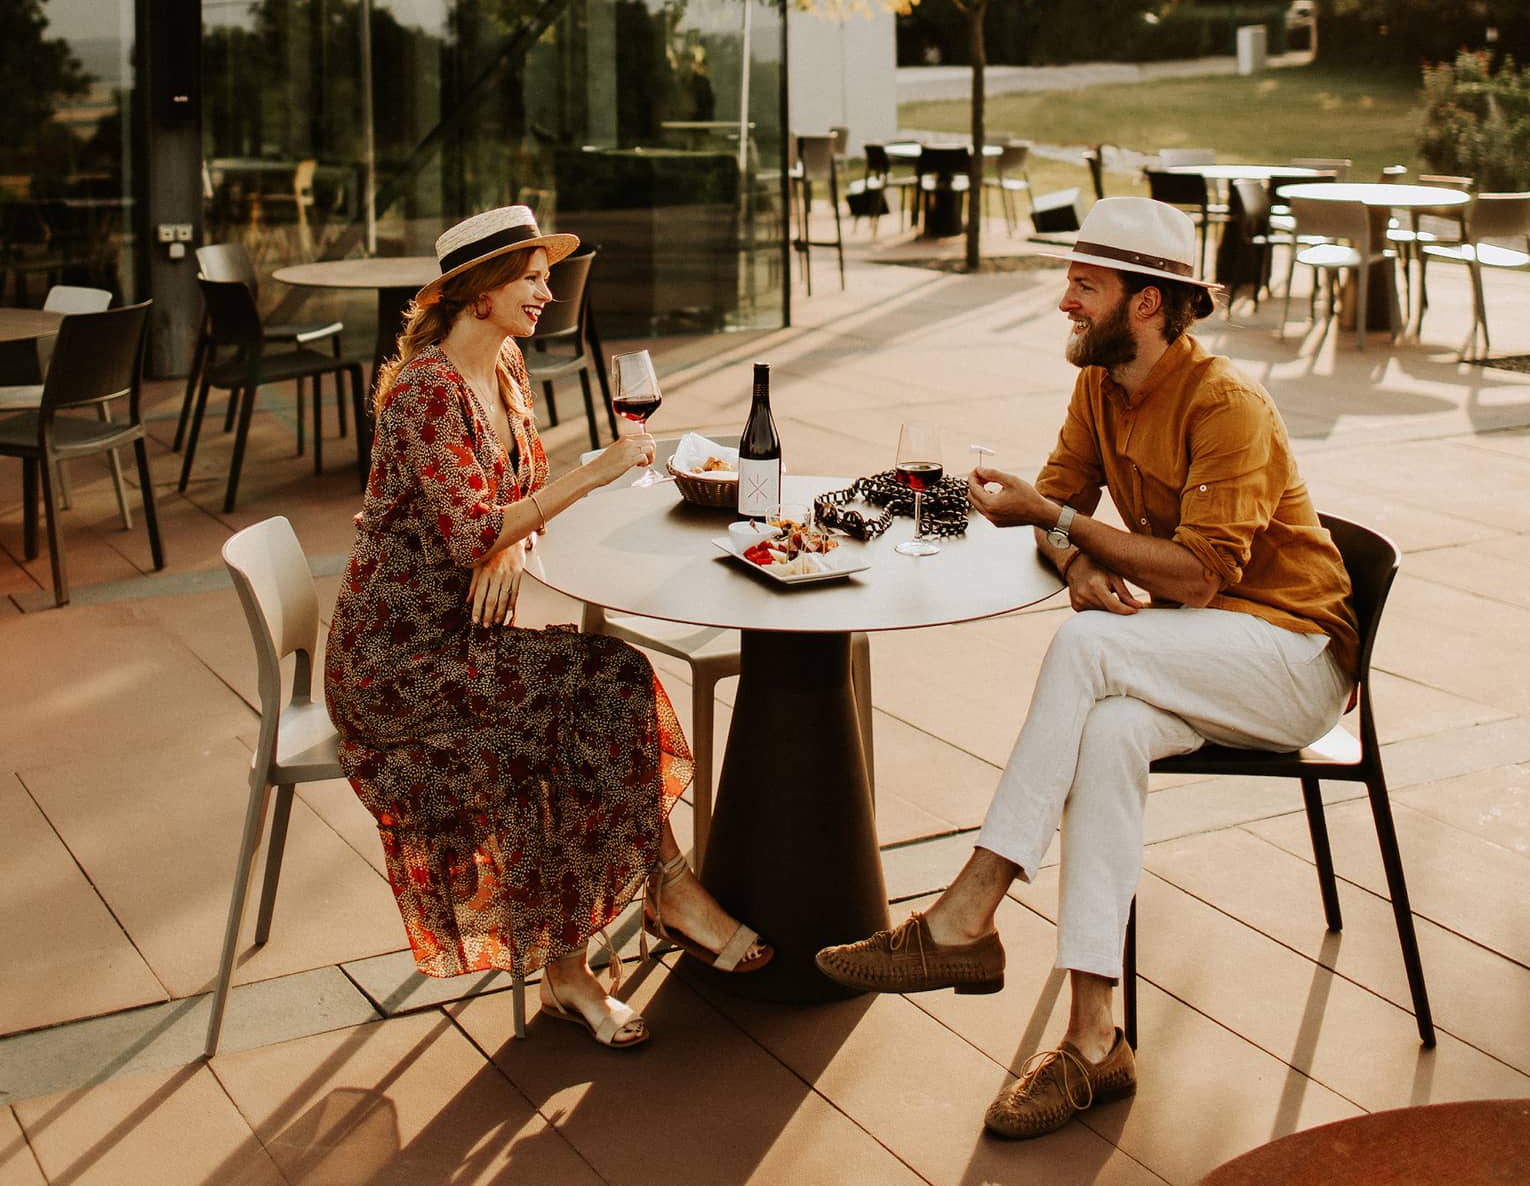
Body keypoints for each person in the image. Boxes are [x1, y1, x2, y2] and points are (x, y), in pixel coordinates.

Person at [815, 196, 1358, 1139]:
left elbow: (1194, 574)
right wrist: (1076, 555)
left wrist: (1064, 530)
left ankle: (968, 911)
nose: (1064, 300)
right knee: (1106, 733)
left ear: (1148, 303)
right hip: (1207, 650)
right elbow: (1055, 507)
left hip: (1291, 661)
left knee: (1087, 645)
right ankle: (1095, 1041)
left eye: (1085, 284)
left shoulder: (1228, 403)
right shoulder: (1100, 385)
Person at [324, 205, 771, 1052]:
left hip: (461, 642)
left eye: (544, 273)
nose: (548, 288)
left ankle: (578, 966)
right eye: (530, 276)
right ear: (479, 292)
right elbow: (469, 528)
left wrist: (513, 542)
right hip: (394, 663)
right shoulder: (428, 390)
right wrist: (596, 472)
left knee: (584, 696)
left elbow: (504, 506)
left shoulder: (507, 369)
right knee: (601, 685)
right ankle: (661, 894)